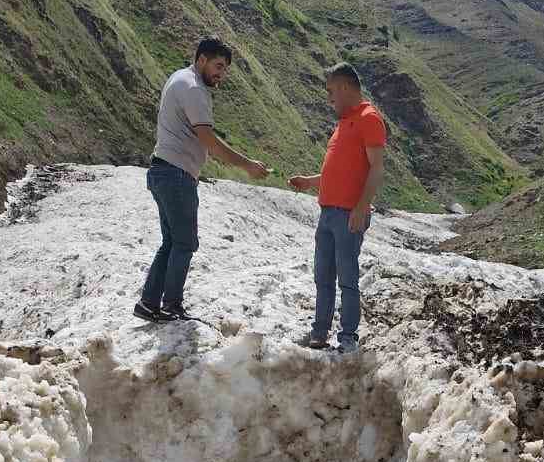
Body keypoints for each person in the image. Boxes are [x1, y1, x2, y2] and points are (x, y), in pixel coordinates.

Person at [135, 37, 270, 324]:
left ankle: (149, 303)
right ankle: (171, 305)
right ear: (201, 60)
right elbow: (208, 139)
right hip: (176, 174)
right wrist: (247, 165)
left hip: (162, 169)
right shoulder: (195, 88)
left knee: (171, 242)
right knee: (184, 243)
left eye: (225, 69)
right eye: (218, 65)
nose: (221, 73)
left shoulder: (179, 78)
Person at [289, 63, 388, 356]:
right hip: (328, 212)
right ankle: (320, 332)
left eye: (332, 92)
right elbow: (339, 171)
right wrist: (310, 182)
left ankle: (348, 336)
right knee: (323, 275)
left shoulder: (370, 118)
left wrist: (360, 206)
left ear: (345, 87)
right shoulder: (345, 122)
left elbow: (377, 169)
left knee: (346, 278)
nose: (330, 99)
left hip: (348, 214)